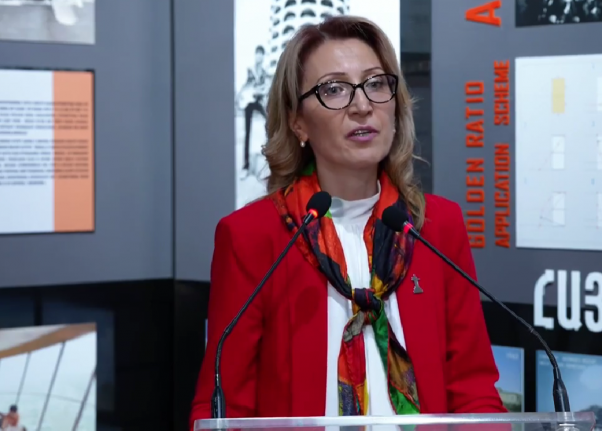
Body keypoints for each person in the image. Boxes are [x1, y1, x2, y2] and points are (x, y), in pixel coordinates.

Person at [190, 15, 506, 422]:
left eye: (375, 84)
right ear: (297, 121)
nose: (362, 105)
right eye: (334, 89)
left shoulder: (436, 226)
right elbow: (223, 405)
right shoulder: (252, 236)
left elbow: (474, 391)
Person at [236, 45, 271, 174]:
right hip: (249, 102)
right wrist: (240, 95)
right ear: (255, 56)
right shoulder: (250, 70)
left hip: (258, 101)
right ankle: (245, 166)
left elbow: (265, 88)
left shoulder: (264, 73)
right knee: (247, 133)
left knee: (270, 122)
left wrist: (261, 91)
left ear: (263, 57)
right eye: (257, 54)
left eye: (261, 54)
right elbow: (246, 85)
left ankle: (270, 156)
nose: (259, 56)